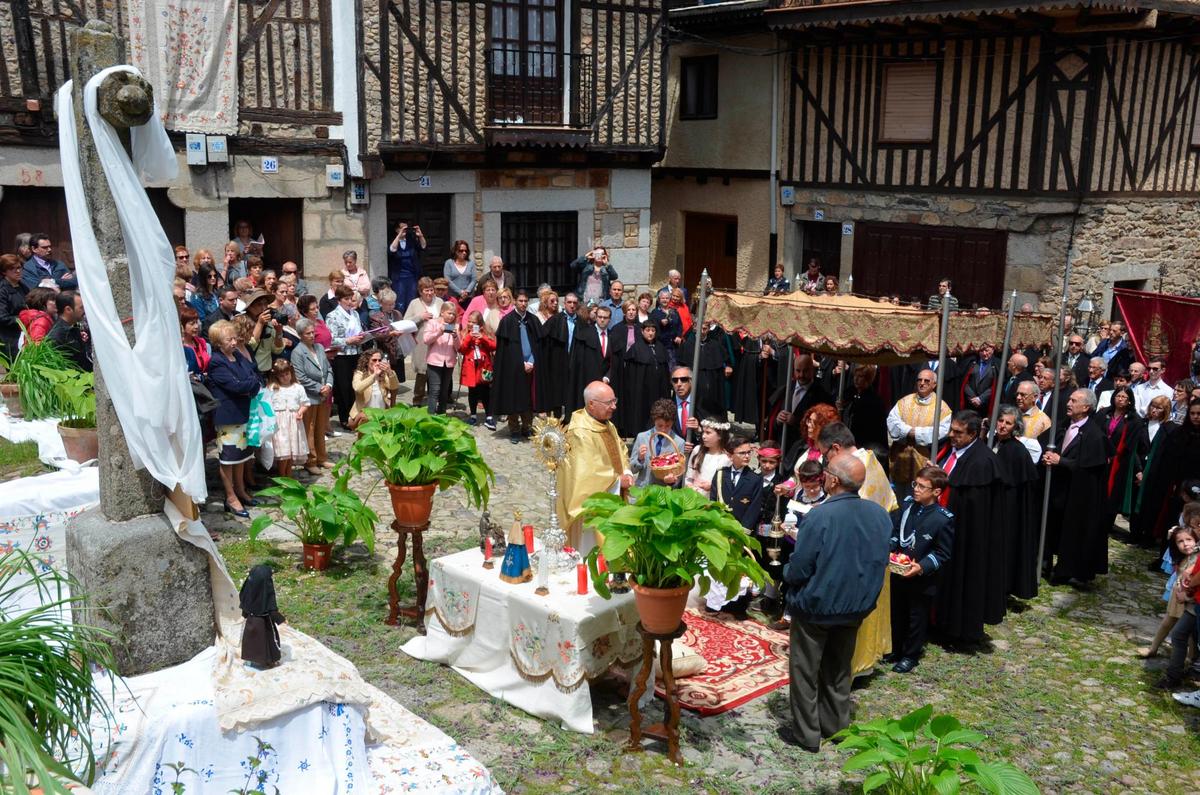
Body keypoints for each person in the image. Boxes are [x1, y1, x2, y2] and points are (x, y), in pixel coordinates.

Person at [780, 454, 890, 752]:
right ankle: (836, 726)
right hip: (855, 606)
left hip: (817, 606)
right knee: (839, 669)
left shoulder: (820, 515)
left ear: (834, 480)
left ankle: (807, 734)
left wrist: (787, 572)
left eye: (827, 471)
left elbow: (801, 566)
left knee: (805, 670)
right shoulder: (879, 514)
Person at [815, 421, 899, 676]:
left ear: (836, 448)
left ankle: (849, 666)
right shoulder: (872, 462)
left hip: (854, 556)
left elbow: (846, 513)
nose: (823, 461)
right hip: (873, 552)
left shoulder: (855, 472)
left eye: (824, 454)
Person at [932, 410, 1002, 644]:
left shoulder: (982, 462)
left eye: (958, 432)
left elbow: (976, 507)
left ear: (973, 434)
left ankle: (956, 629)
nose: (951, 435)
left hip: (965, 534)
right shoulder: (951, 450)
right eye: (951, 430)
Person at [1043, 389, 1113, 584]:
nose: (1069, 403)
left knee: (1072, 533)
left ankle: (1065, 570)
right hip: (1058, 489)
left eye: (1074, 400)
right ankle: (1045, 561)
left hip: (1078, 494)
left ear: (1086, 407)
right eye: (1070, 399)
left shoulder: (1094, 435)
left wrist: (1062, 461)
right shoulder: (1064, 426)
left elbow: (1089, 467)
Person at [888, 465, 954, 673]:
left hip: (922, 578)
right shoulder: (908, 507)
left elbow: (943, 552)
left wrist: (922, 567)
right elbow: (896, 533)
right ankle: (896, 648)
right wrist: (889, 551)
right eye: (915, 484)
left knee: (916, 616)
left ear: (936, 492)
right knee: (897, 612)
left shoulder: (942, 519)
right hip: (899, 571)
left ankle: (911, 654)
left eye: (922, 487)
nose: (916, 489)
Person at [555, 381, 634, 551]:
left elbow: (621, 450)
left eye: (615, 401)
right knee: (591, 550)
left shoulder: (606, 424)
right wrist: (618, 481)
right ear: (591, 404)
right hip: (590, 506)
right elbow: (586, 474)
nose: (614, 407)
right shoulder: (579, 432)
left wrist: (627, 471)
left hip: (613, 497)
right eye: (609, 403)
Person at [207, 320, 262, 517]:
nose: (233, 342)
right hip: (228, 416)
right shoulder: (216, 361)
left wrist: (249, 382)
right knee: (229, 458)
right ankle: (230, 496)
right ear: (218, 343)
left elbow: (252, 373)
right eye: (228, 339)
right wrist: (250, 383)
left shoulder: (237, 355)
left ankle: (240, 490)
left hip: (244, 412)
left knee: (242, 456)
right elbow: (236, 385)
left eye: (233, 338)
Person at [990, 405, 1041, 600]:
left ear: (1015, 427)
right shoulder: (994, 442)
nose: (1002, 426)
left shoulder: (1016, 451)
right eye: (1001, 421)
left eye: (1008, 423)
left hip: (1009, 509)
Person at [886, 369, 951, 497]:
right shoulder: (904, 401)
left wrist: (916, 433)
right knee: (897, 497)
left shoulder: (942, 408)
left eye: (927, 381)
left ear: (934, 385)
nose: (922, 383)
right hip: (900, 457)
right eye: (919, 380)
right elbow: (892, 421)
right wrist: (908, 431)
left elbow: (941, 431)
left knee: (918, 495)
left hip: (923, 458)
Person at [1141, 519, 1199, 661]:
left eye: (1189, 540)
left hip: (1191, 598)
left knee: (1190, 631)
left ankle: (1191, 658)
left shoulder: (1198, 554)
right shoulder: (1182, 557)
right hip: (1177, 595)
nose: (1185, 544)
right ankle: (1153, 648)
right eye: (1180, 542)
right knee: (1167, 622)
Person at [493, 291, 538, 443]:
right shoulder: (507, 321)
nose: (523, 303)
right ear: (515, 301)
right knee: (513, 397)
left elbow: (538, 345)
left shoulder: (533, 320)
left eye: (526, 301)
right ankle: (514, 429)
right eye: (520, 300)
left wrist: (531, 361)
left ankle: (527, 427)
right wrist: (520, 363)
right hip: (513, 367)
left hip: (531, 366)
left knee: (528, 399)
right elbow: (504, 351)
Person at [291, 318, 334, 474]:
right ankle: (310, 461)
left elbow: (328, 369)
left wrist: (328, 385)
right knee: (309, 428)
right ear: (301, 335)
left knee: (320, 427)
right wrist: (318, 388)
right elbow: (300, 376)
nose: (312, 335)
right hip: (309, 396)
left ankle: (322, 457)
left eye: (313, 332)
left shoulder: (320, 348)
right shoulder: (298, 352)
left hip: (323, 394)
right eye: (308, 333)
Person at [1098, 386, 1143, 534]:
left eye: (1124, 397)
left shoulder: (1134, 420)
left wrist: (1113, 455)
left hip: (1118, 462)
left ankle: (1106, 524)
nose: (1121, 399)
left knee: (1112, 494)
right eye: (1118, 396)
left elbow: (1130, 445)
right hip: (1099, 457)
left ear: (1130, 400)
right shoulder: (1104, 413)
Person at [325, 284, 368, 429]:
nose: (350, 302)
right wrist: (348, 341)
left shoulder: (354, 314)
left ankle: (355, 415)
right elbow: (330, 339)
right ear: (339, 300)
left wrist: (362, 337)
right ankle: (344, 418)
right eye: (346, 299)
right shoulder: (332, 316)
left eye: (351, 299)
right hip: (342, 355)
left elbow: (359, 331)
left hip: (356, 353)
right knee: (344, 388)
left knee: (355, 387)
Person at [678, 320, 732, 421]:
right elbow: (681, 364)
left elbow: (726, 359)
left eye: (704, 329)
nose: (702, 331)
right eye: (699, 328)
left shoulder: (715, 345)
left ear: (708, 329)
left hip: (712, 384)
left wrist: (728, 366)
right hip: (694, 383)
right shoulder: (687, 345)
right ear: (694, 327)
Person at [263, 359, 309, 477]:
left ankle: (289, 475)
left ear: (291, 373)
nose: (285, 377)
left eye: (287, 374)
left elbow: (305, 403)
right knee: (283, 451)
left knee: (290, 452)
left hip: (293, 421)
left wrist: (300, 412)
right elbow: (266, 404)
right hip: (279, 423)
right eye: (281, 375)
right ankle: (282, 476)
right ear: (276, 376)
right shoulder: (273, 387)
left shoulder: (297, 387)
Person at [403, 276, 444, 407]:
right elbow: (406, 321)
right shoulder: (414, 303)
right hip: (421, 342)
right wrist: (420, 317)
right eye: (426, 290)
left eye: (431, 290)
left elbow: (448, 316)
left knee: (436, 372)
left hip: (438, 341)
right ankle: (417, 400)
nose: (429, 293)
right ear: (420, 292)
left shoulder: (440, 302)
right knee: (422, 371)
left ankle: (435, 400)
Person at [630, 398, 686, 487]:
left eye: (668, 426)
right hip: (642, 490)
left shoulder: (679, 442)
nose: (663, 429)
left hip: (663, 493)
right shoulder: (642, 437)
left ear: (673, 423)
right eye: (660, 425)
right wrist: (640, 458)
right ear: (654, 420)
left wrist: (671, 481)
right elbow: (633, 470)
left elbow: (679, 476)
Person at [239, 564, 286, 670]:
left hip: (251, 622)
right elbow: (271, 610)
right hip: (264, 623)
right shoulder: (266, 592)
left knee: (251, 642)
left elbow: (244, 604)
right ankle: (268, 661)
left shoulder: (249, 589)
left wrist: (245, 614)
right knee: (266, 642)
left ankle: (251, 659)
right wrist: (281, 619)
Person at [422, 301, 461, 415]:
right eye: (449, 313)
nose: (451, 316)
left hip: (449, 362)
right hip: (434, 362)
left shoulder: (456, 326)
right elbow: (426, 340)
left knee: (444, 391)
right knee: (435, 390)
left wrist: (455, 337)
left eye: (454, 314)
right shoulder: (433, 323)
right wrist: (440, 331)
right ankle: (430, 415)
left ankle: (441, 414)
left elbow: (459, 347)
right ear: (442, 312)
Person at [459, 310, 496, 428]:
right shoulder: (465, 332)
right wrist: (469, 337)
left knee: (486, 391)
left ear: (479, 323)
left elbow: (494, 346)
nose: (470, 324)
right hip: (470, 366)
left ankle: (489, 417)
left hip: (484, 366)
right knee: (473, 392)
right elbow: (462, 349)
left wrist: (483, 338)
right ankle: (473, 415)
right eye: (469, 321)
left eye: (473, 322)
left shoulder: (486, 332)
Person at [350, 348, 400, 427]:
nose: (377, 363)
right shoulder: (359, 374)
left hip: (381, 414)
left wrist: (390, 372)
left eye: (379, 360)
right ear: (367, 362)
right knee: (365, 419)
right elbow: (357, 388)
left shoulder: (384, 375)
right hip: (364, 416)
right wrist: (374, 376)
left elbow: (394, 387)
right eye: (374, 360)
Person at [45, 291, 91, 372]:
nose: (85, 311)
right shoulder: (57, 336)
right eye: (81, 308)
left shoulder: (73, 327)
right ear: (68, 309)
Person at [685, 418, 731, 495]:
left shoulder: (725, 458)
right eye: (703, 432)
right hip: (693, 496)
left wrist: (713, 486)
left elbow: (726, 485)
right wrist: (690, 487)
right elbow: (689, 476)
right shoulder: (697, 450)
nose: (703, 436)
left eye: (708, 433)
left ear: (720, 436)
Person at [388, 221, 426, 309]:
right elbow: (392, 250)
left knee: (411, 300)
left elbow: (423, 247)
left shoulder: (411, 240)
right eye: (402, 228)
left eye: (406, 228)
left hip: (412, 276)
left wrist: (420, 236)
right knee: (400, 302)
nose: (405, 230)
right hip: (399, 277)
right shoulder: (393, 240)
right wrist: (399, 236)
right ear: (397, 229)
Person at [0, 254, 29, 359]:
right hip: (10, 338)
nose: (18, 271)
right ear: (4, 272)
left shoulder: (23, 286)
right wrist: (23, 319)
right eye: (13, 269)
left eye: (19, 267)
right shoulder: (2, 290)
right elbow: (2, 317)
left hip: (24, 335)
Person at [443, 240, 476, 306]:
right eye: (461, 251)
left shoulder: (471, 263)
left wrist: (466, 292)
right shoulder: (449, 263)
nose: (464, 253)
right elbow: (448, 280)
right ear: (455, 251)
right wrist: (460, 292)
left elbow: (474, 280)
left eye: (466, 251)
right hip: (453, 297)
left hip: (468, 297)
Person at [179, 306, 210, 376]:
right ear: (182, 326)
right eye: (192, 324)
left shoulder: (201, 342)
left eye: (196, 322)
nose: (196, 326)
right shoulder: (180, 347)